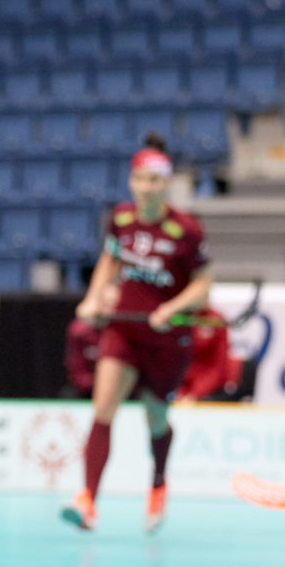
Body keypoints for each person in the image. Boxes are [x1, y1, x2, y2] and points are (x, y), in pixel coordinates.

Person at [62, 134, 214, 533]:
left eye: (155, 180)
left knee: (156, 419)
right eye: (141, 179)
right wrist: (94, 298)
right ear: (132, 181)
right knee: (103, 408)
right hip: (124, 330)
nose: (147, 187)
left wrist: (172, 308)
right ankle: (88, 500)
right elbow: (109, 258)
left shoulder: (186, 230)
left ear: (166, 184)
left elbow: (203, 285)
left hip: (167, 339)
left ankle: (158, 484)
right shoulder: (121, 219)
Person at [60, 283, 119, 399]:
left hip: (120, 388)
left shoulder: (126, 333)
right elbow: (77, 372)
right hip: (87, 391)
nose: (108, 310)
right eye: (105, 304)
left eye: (113, 305)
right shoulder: (79, 331)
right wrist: (101, 385)